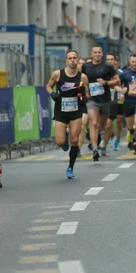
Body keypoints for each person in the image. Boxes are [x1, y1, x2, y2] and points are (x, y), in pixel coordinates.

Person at [46, 50, 90, 179]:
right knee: (60, 143)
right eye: (70, 58)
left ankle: (70, 167)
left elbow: (87, 97)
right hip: (61, 110)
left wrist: (83, 94)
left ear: (78, 60)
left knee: (75, 140)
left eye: (74, 58)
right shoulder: (57, 74)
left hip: (76, 111)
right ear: (66, 60)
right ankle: (63, 135)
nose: (72, 60)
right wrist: (52, 94)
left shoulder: (83, 77)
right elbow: (48, 86)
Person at [82, 46, 120, 161]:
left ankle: (95, 136)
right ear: (91, 54)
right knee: (93, 123)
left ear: (102, 54)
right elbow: (81, 80)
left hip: (105, 100)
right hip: (92, 100)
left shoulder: (107, 67)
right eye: (95, 52)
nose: (97, 54)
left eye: (99, 52)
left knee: (101, 126)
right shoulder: (85, 67)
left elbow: (117, 80)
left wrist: (106, 82)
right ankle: (95, 149)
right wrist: (84, 91)